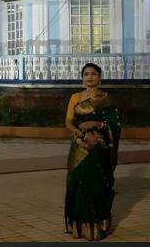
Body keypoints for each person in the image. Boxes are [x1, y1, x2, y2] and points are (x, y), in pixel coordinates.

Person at [64, 63, 121, 241]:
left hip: (99, 146)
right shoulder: (75, 98)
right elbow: (68, 122)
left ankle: (98, 226)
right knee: (77, 184)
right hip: (79, 147)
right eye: (86, 74)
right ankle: (79, 227)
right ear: (82, 78)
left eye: (94, 74)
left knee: (98, 185)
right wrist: (83, 135)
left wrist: (97, 124)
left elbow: (115, 124)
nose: (90, 77)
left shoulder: (106, 99)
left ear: (99, 77)